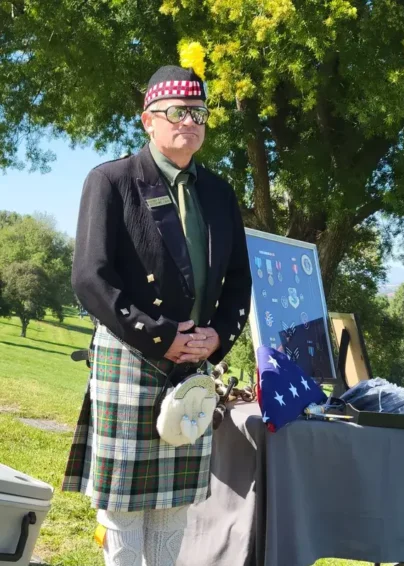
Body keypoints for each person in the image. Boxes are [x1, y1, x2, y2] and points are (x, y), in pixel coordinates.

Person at [62, 64, 252, 565]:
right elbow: (90, 278)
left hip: (193, 365)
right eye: (176, 112)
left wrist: (215, 340)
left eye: (198, 112)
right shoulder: (112, 180)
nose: (189, 121)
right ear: (148, 120)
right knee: (123, 506)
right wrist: (161, 337)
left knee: (174, 505)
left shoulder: (219, 193)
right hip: (131, 357)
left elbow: (238, 280)